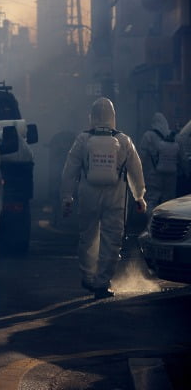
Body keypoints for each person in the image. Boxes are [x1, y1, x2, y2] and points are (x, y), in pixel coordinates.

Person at [61, 97, 146, 299]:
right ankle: (101, 283)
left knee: (88, 237)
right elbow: (136, 171)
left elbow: (69, 171)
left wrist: (67, 198)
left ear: (91, 116)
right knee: (112, 240)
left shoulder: (82, 140)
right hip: (116, 198)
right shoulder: (124, 140)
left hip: (88, 195)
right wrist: (139, 196)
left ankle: (88, 277)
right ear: (113, 116)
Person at [139, 112, 188, 214]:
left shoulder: (148, 136)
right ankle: (166, 225)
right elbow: (182, 158)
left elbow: (141, 157)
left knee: (152, 200)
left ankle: (151, 225)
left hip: (153, 176)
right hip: (171, 175)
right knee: (168, 202)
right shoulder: (175, 137)